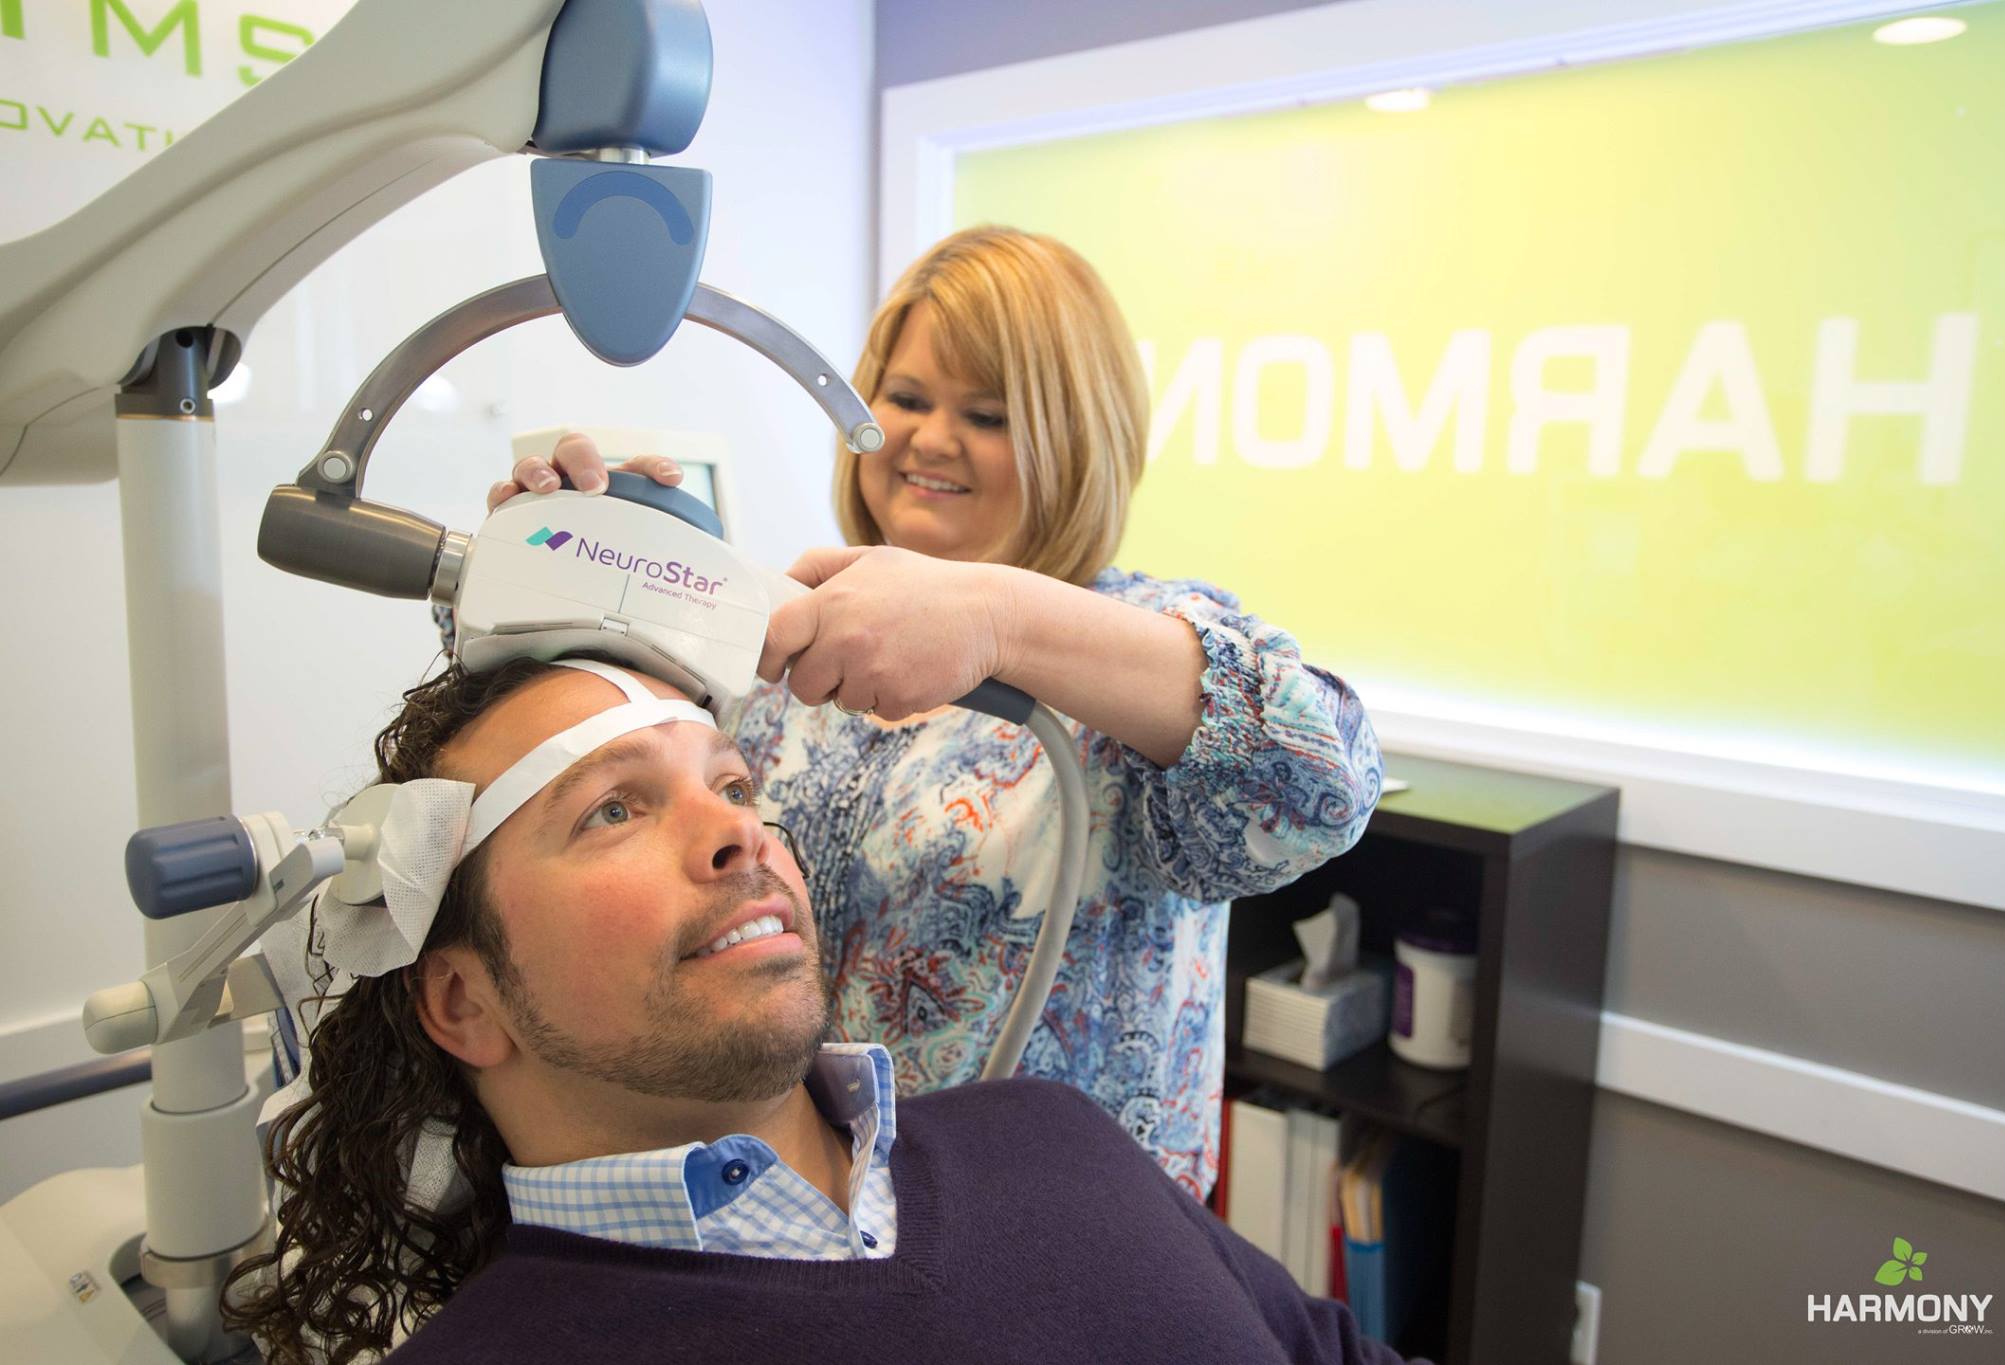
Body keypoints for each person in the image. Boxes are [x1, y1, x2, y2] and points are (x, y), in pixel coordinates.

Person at [491, 225, 1383, 1196]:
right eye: (906, 399)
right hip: (803, 1220)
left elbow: (1320, 781)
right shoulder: (800, 642)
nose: (927, 440)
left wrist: (997, 616)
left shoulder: (1141, 646)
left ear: (1075, 435)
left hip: (1055, 1255)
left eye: (988, 415)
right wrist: (555, 576)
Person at [224, 657, 1418, 1365]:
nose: (742, 830)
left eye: (734, 784)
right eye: (613, 812)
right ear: (464, 1000)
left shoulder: (1053, 1133)